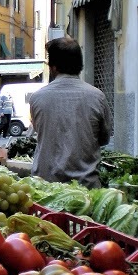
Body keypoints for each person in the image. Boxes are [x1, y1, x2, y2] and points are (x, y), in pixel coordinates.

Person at [30, 37, 112, 189]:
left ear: (53, 67)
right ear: (80, 65)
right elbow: (104, 138)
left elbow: (39, 131)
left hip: (44, 188)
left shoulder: (37, 98)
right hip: (86, 188)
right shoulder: (97, 96)